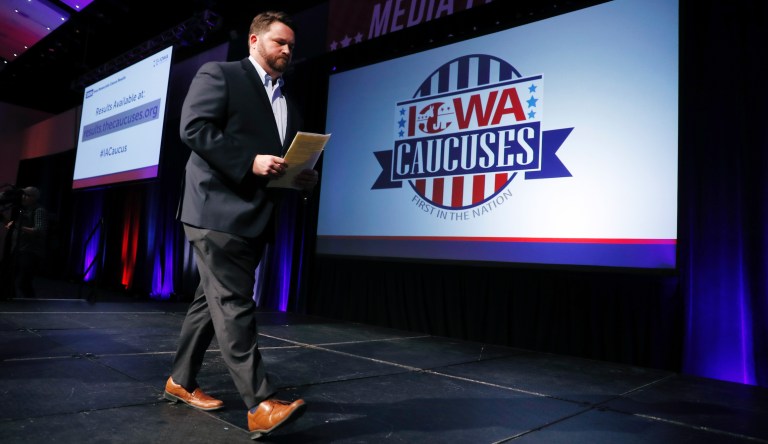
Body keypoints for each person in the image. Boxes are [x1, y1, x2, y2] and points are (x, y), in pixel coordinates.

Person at [163, 10, 317, 440]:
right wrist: (248, 162)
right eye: (278, 42)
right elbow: (193, 128)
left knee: (208, 304)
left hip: (253, 216)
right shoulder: (221, 74)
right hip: (215, 210)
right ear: (254, 41)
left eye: (290, 45)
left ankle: (180, 379)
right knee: (234, 303)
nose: (287, 50)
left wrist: (300, 176)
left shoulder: (290, 100)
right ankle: (259, 402)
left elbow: (280, 162)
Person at [2, 186, 47, 299]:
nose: (23, 197)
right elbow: (13, 227)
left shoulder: (39, 210)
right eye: (23, 194)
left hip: (30, 252)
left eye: (26, 195)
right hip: (18, 249)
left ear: (34, 198)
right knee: (8, 280)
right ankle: (10, 301)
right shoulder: (23, 210)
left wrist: (18, 225)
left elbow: (39, 230)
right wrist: (4, 220)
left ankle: (32, 307)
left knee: (23, 283)